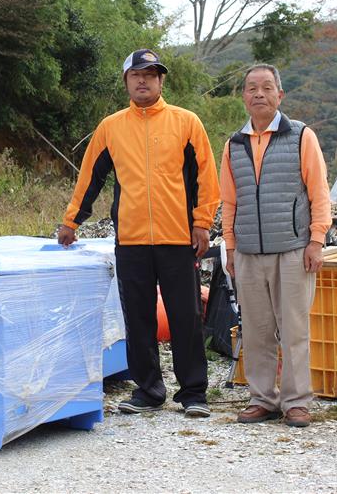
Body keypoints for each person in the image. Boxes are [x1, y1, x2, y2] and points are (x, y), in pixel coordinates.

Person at [58, 49, 220, 418]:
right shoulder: (111, 127)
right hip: (130, 239)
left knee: (185, 316)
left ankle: (193, 392)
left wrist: (201, 224)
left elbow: (205, 179)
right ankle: (148, 390)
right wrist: (72, 221)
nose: (143, 80)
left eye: (151, 74)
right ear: (126, 81)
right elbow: (91, 178)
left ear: (161, 81)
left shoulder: (186, 122)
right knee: (138, 316)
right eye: (136, 75)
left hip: (177, 237)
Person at [219, 63, 331, 428]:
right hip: (249, 252)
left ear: (280, 95)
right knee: (256, 330)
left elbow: (318, 193)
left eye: (267, 88)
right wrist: (231, 247)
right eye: (252, 88)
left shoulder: (301, 136)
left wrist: (316, 240)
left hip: (293, 249)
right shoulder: (233, 145)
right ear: (244, 97)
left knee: (294, 329)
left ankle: (296, 402)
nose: (259, 94)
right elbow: (230, 202)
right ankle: (262, 398)